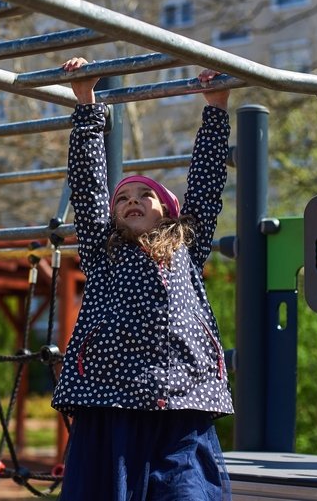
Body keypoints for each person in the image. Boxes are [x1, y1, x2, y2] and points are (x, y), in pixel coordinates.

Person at [51, 58, 233, 501]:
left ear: (168, 210)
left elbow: (207, 185)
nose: (131, 201)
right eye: (123, 199)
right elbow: (88, 185)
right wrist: (86, 103)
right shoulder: (102, 250)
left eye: (144, 195)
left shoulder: (187, 246)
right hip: (110, 396)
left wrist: (216, 108)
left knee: (185, 493)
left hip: (179, 397)